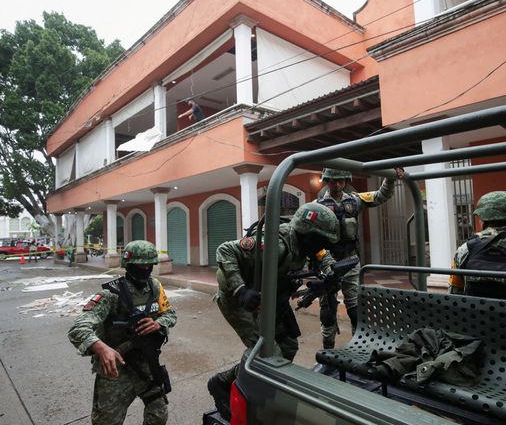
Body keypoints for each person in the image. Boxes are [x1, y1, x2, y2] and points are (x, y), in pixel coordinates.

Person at [207, 202, 339, 419]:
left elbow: (323, 254)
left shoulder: (308, 243)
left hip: (271, 297)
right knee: (270, 352)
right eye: (321, 239)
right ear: (308, 234)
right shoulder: (276, 244)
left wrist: (331, 269)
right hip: (239, 299)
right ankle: (222, 384)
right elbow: (225, 250)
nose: (322, 245)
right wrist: (241, 290)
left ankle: (248, 379)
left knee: (287, 346)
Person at [68, 240, 176, 425]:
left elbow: (170, 313)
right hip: (116, 370)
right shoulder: (111, 294)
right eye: (141, 265)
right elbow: (78, 328)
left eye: (149, 265)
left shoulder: (155, 287)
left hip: (147, 363)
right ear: (129, 265)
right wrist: (101, 348)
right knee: (106, 421)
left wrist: (159, 323)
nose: (146, 269)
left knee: (158, 414)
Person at [314, 167, 404, 349]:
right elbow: (309, 238)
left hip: (350, 262)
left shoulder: (355, 200)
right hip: (327, 263)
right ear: (327, 181)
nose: (337, 184)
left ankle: (358, 348)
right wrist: (323, 260)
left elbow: (380, 196)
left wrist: (390, 178)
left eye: (340, 180)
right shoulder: (315, 205)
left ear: (346, 180)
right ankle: (327, 351)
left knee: (355, 309)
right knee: (327, 312)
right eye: (333, 181)